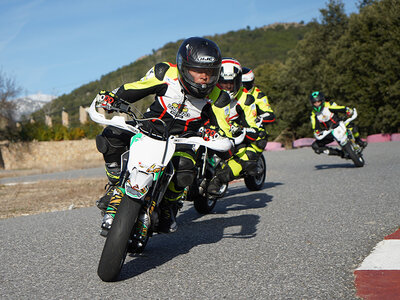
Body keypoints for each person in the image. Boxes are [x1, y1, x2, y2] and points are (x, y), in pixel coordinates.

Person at [95, 37, 232, 233]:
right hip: (149, 127)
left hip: (184, 140)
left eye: (210, 73)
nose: (204, 77)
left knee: (185, 169)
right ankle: (116, 184)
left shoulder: (218, 97)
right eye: (198, 71)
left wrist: (217, 135)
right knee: (111, 134)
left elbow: (225, 131)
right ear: (183, 67)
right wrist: (112, 96)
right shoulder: (165, 74)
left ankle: (168, 207)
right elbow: (135, 88)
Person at [207, 58, 267, 195]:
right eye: (223, 82)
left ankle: (222, 177)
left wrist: (243, 130)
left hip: (234, 136)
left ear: (238, 81)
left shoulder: (246, 99)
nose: (227, 86)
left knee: (261, 137)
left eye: (230, 82)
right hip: (209, 132)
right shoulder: (207, 94)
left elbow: (252, 124)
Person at [309, 91, 367, 156]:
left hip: (339, 124)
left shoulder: (329, 105)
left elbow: (338, 108)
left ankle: (358, 140)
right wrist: (316, 131)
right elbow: (314, 124)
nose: (317, 104)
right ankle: (339, 153)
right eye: (315, 103)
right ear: (312, 103)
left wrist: (347, 110)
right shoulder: (313, 114)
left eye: (318, 102)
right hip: (329, 131)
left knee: (350, 125)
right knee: (315, 146)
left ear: (322, 100)